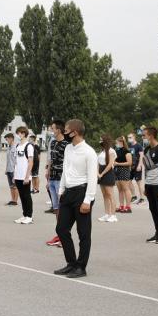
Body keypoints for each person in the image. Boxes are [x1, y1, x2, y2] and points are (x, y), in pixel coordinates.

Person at [54, 119, 98, 279]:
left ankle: (81, 267)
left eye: (66, 130)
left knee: (83, 233)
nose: (64, 133)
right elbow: (65, 170)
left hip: (82, 193)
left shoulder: (89, 152)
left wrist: (88, 200)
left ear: (75, 132)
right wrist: (61, 190)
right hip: (68, 193)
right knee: (61, 229)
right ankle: (71, 263)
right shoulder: (68, 148)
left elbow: (92, 177)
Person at [45, 120, 68, 247]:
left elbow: (68, 163)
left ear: (59, 130)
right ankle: (59, 234)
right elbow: (51, 160)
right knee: (56, 209)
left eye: (52, 128)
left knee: (63, 209)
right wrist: (48, 174)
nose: (51, 131)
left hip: (61, 179)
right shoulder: (53, 142)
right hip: (52, 178)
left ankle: (64, 237)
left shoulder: (66, 144)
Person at [13, 127, 34, 224]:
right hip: (18, 176)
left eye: (20, 133)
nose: (18, 135)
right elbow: (16, 162)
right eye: (17, 133)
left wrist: (27, 176)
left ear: (24, 134)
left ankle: (29, 216)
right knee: (21, 196)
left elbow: (30, 162)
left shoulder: (29, 146)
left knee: (27, 196)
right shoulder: (17, 146)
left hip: (25, 176)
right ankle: (25, 215)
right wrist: (14, 175)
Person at [97, 134, 117, 222]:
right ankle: (107, 214)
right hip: (100, 173)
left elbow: (110, 164)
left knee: (110, 194)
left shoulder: (111, 151)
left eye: (101, 139)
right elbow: (98, 163)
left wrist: (102, 173)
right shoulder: (102, 151)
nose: (100, 141)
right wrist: (97, 173)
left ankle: (113, 215)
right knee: (104, 195)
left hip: (108, 173)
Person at [114, 136, 133, 214]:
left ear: (121, 142)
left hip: (124, 170)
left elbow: (129, 163)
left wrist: (118, 163)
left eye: (117, 143)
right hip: (117, 171)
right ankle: (121, 206)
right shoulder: (116, 151)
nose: (116, 144)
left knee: (126, 189)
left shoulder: (127, 151)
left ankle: (128, 207)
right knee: (120, 190)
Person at [128, 133, 146, 205]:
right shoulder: (129, 146)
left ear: (134, 137)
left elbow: (141, 156)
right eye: (128, 137)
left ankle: (142, 198)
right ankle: (134, 196)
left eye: (130, 137)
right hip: (130, 167)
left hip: (137, 166)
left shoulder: (138, 146)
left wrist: (139, 165)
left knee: (139, 182)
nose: (129, 138)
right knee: (129, 181)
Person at [4, 133, 19, 206]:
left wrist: (16, 171)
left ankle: (15, 201)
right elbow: (8, 160)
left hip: (14, 170)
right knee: (11, 186)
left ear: (11, 139)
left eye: (7, 139)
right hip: (9, 169)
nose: (7, 141)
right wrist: (6, 169)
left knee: (15, 186)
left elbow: (17, 160)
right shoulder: (8, 147)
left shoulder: (16, 148)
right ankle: (12, 200)